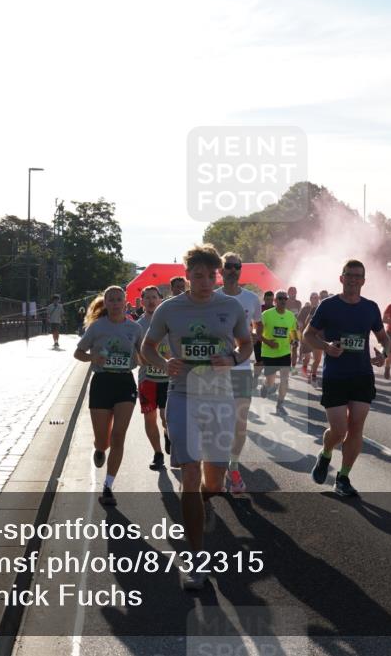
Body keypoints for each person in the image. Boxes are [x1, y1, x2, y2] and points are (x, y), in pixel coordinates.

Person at [141, 244, 251, 590]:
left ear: (217, 275)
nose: (205, 282)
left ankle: (204, 500)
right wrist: (163, 363)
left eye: (211, 276)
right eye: (198, 275)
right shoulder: (170, 309)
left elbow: (247, 343)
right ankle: (196, 559)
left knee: (213, 483)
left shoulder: (230, 306)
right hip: (183, 395)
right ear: (187, 276)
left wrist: (232, 360)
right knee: (190, 473)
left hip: (219, 397)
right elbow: (147, 347)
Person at [304, 259, 388, 497]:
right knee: (338, 431)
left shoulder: (370, 307)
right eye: (349, 275)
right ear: (341, 278)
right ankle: (326, 453)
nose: (353, 280)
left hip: (362, 375)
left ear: (363, 280)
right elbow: (308, 335)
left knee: (356, 427)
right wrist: (326, 346)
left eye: (357, 276)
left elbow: (383, 337)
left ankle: (343, 477)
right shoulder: (328, 306)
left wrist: (384, 352)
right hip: (336, 376)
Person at [76, 286, 144, 505]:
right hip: (102, 383)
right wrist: (92, 357)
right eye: (111, 300)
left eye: (119, 299)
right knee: (103, 440)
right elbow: (78, 352)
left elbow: (144, 356)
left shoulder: (135, 328)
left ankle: (108, 486)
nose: (115, 303)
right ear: (105, 303)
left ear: (126, 302)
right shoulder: (97, 327)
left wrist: (142, 357)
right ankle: (98, 449)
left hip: (125, 382)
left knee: (118, 436)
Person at [216, 252, 262, 493]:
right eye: (229, 266)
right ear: (221, 271)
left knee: (240, 424)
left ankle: (233, 466)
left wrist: (254, 336)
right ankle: (217, 463)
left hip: (242, 367)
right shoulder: (210, 298)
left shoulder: (251, 299)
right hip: (216, 370)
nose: (233, 270)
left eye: (237, 267)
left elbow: (258, 323)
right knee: (219, 422)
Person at [136, 286, 172, 468]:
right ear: (142, 302)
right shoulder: (137, 326)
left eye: (154, 297)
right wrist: (144, 358)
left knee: (167, 417)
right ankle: (157, 454)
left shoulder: (169, 321)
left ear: (160, 300)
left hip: (167, 379)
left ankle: (168, 434)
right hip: (147, 378)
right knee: (149, 418)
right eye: (147, 298)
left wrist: (167, 358)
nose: (151, 301)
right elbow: (135, 354)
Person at [260, 290, 299, 415]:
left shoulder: (290, 316)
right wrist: (268, 342)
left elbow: (293, 332)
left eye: (285, 298)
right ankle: (266, 386)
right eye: (280, 298)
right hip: (269, 353)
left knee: (284, 379)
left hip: (284, 353)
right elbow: (256, 332)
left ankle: (280, 403)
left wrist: (295, 343)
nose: (283, 300)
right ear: (275, 300)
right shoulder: (266, 314)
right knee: (271, 380)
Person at [252, 290, 275, 384]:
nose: (269, 301)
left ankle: (267, 382)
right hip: (259, 339)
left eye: (271, 299)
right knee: (259, 361)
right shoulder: (259, 308)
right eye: (267, 299)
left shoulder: (276, 310)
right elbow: (253, 322)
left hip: (270, 339)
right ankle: (256, 377)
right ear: (264, 299)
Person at [297, 292, 321, 379]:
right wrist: (300, 330)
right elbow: (299, 320)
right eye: (313, 297)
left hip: (317, 337)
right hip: (306, 336)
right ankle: (304, 368)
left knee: (317, 359)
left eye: (316, 298)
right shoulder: (305, 308)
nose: (315, 299)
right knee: (307, 357)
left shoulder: (321, 308)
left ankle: (313, 374)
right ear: (310, 299)